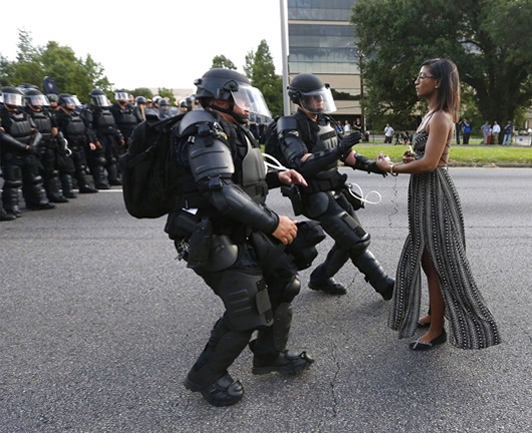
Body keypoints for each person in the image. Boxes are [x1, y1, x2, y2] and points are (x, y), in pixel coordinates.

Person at [164, 68, 320, 407]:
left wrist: (280, 176)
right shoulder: (204, 129)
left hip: (237, 226)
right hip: (211, 233)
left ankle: (269, 355)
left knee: (283, 282)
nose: (248, 106)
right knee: (248, 308)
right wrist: (272, 222)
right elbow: (219, 190)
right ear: (222, 97)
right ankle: (206, 375)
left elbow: (241, 176)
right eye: (242, 98)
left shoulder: (226, 127)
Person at [375, 58, 501, 351]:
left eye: (423, 76)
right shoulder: (430, 115)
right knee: (425, 257)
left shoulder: (442, 117)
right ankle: (434, 314)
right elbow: (424, 157)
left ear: (438, 82)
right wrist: (411, 158)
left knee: (438, 263)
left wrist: (391, 166)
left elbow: (431, 164)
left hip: (435, 194)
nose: (417, 81)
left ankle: (437, 330)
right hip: (424, 193)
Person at [274, 72, 394, 300]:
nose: (319, 102)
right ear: (299, 99)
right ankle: (385, 285)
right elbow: (300, 163)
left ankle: (320, 278)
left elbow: (347, 154)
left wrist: (373, 166)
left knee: (346, 240)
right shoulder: (290, 125)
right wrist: (338, 151)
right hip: (314, 196)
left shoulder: (324, 121)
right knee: (357, 240)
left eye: (321, 97)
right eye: (314, 98)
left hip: (336, 191)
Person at [1, 86, 56, 215]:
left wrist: (33, 145)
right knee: (13, 182)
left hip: (28, 151)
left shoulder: (24, 113)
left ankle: (37, 201)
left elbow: (36, 131)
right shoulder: (2, 115)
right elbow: (3, 136)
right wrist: (23, 147)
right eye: (11, 98)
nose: (14, 102)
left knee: (34, 178)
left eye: (16, 98)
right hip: (11, 153)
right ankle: (11, 207)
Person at [22, 86, 69, 203]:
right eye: (35, 99)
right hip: (34, 147)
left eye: (39, 99)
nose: (38, 101)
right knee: (34, 175)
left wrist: (56, 140)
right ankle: (33, 200)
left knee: (51, 172)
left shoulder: (47, 113)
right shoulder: (25, 113)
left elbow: (54, 127)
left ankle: (53, 194)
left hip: (48, 145)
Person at [55, 94, 98, 194]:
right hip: (67, 146)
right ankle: (68, 190)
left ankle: (84, 186)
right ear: (62, 103)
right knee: (67, 169)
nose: (73, 104)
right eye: (69, 102)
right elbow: (57, 132)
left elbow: (86, 129)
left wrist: (90, 141)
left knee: (81, 167)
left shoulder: (77, 115)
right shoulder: (58, 116)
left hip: (79, 145)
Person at [83, 89, 123, 187]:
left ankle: (114, 178)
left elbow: (114, 125)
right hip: (100, 136)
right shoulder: (90, 110)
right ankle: (100, 181)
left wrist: (119, 136)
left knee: (112, 158)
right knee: (99, 160)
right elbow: (89, 127)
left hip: (111, 136)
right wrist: (94, 140)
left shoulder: (108, 110)